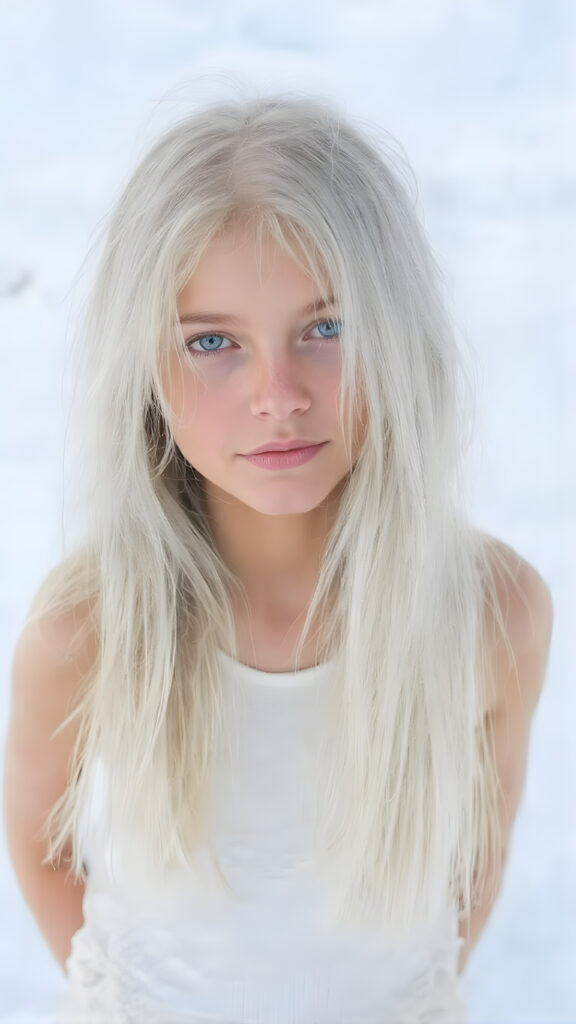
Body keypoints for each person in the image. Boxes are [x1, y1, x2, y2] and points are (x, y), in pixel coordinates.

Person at [3, 90, 553, 1023]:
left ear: (399, 334)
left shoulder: (490, 611)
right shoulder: (88, 628)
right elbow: (43, 848)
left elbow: (475, 856)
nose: (279, 393)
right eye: (213, 342)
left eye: (327, 329)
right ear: (146, 369)